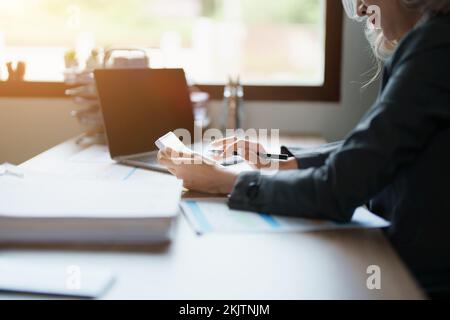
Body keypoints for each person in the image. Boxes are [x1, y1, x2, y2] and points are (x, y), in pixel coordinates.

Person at [158, 0, 450, 297]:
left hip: (414, 281)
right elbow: (372, 150)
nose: (360, 10)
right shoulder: (432, 41)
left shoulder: (434, 49)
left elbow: (337, 189)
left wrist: (225, 181)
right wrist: (278, 160)